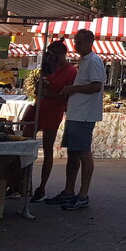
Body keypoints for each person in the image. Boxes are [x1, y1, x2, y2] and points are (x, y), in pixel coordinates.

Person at [45, 29, 105, 211]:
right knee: (73, 152)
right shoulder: (85, 61)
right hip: (76, 113)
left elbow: (96, 86)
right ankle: (69, 191)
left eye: (79, 42)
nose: (76, 45)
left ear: (89, 41)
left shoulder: (94, 61)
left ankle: (83, 195)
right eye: (75, 42)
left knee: (83, 153)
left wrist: (72, 89)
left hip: (84, 115)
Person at [31, 40, 77, 202]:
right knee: (25, 143)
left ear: (60, 54)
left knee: (48, 148)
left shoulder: (71, 71)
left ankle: (42, 186)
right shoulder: (49, 67)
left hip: (53, 110)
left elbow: (65, 96)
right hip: (39, 107)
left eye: (52, 55)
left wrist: (47, 92)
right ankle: (22, 182)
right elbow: (38, 89)